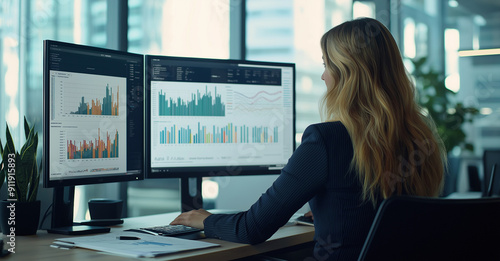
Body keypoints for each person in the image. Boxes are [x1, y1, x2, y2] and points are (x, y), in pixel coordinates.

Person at [170, 17, 446, 260]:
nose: (324, 76)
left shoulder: (325, 139)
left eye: (327, 66)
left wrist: (205, 220)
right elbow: (385, 210)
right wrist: (335, 211)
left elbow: (252, 228)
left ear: (347, 75)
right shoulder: (421, 138)